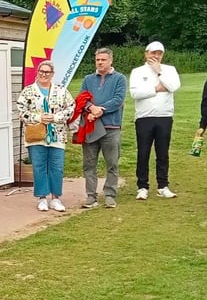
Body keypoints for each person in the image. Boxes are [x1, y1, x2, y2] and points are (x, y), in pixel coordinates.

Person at [16, 60, 75, 212]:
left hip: (57, 135)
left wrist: (55, 117)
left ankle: (56, 198)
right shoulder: (28, 91)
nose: (44, 74)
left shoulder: (61, 91)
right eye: (41, 71)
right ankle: (42, 197)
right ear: (37, 72)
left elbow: (71, 107)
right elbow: (21, 111)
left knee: (57, 167)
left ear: (52, 74)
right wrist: (38, 118)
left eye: (47, 72)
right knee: (39, 166)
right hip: (36, 136)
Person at [129, 41, 181, 200]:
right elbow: (135, 93)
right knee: (143, 152)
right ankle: (142, 186)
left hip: (164, 116)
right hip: (144, 117)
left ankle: (163, 185)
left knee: (163, 153)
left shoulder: (169, 70)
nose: (156, 56)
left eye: (159, 53)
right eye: (153, 53)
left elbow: (174, 86)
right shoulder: (137, 71)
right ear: (146, 53)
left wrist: (159, 72)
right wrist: (155, 89)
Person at [79, 48, 127, 208]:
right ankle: (91, 196)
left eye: (103, 60)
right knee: (89, 164)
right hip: (91, 127)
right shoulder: (88, 79)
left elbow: (118, 99)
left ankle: (110, 195)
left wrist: (100, 110)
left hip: (111, 128)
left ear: (110, 61)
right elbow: (82, 98)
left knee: (112, 163)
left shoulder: (119, 78)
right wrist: (91, 108)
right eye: (98, 59)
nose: (100, 62)